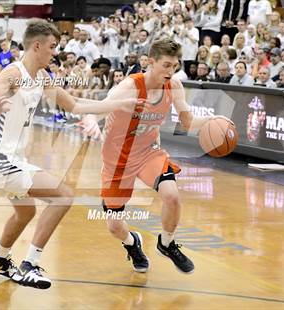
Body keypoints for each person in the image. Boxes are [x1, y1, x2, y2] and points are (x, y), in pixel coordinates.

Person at [0, 18, 140, 289]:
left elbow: (74, 105)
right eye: (52, 47)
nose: (55, 52)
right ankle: (31, 263)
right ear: (37, 46)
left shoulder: (41, 77)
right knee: (63, 196)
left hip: (11, 160)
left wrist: (119, 104)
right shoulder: (14, 74)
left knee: (25, 214)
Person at [82, 38, 233, 275]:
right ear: (151, 62)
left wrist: (213, 121)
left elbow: (187, 122)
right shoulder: (130, 87)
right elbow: (99, 108)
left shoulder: (174, 87)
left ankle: (167, 243)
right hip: (118, 160)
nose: (171, 71)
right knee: (114, 226)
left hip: (148, 153)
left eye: (175, 66)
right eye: (166, 65)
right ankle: (132, 244)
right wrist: (91, 122)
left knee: (172, 196)